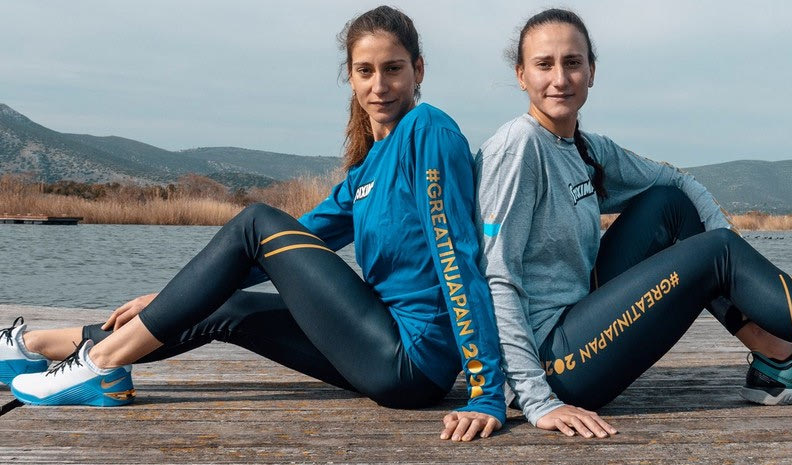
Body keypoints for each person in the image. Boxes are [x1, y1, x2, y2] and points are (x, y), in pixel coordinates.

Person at [0, 5, 504, 442]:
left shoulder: (427, 131)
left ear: (418, 70)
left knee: (256, 220)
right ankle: (35, 347)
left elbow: (458, 259)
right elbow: (287, 248)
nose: (379, 85)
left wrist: (486, 392)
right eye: (365, 71)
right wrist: (171, 297)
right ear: (350, 78)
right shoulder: (367, 170)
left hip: (413, 361)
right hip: (380, 350)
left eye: (393, 69)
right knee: (227, 305)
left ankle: (102, 365)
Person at [474, 8, 792, 437]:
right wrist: (537, 400)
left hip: (580, 317)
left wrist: (730, 253)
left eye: (572, 62)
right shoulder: (518, 149)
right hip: (555, 364)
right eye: (544, 64)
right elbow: (496, 279)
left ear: (592, 71)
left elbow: (678, 181)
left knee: (669, 205)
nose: (560, 78)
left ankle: (777, 360)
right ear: (521, 75)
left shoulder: (586, 148)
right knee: (717, 252)